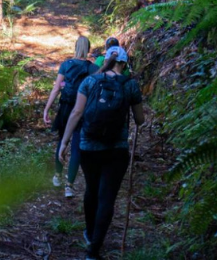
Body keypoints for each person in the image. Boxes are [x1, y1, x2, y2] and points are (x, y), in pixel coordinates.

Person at [58, 46, 145, 260]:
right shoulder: (130, 85)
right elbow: (140, 119)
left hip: (89, 146)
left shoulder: (89, 81)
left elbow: (77, 112)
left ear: (105, 60)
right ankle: (94, 250)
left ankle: (89, 232)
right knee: (107, 197)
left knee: (91, 190)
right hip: (117, 150)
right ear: (124, 64)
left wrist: (64, 142)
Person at [43, 36, 98, 198]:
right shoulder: (92, 68)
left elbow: (55, 89)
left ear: (75, 47)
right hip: (82, 110)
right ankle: (70, 185)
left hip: (65, 108)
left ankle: (57, 176)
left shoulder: (66, 65)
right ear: (88, 49)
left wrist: (47, 109)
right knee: (76, 146)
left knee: (62, 141)